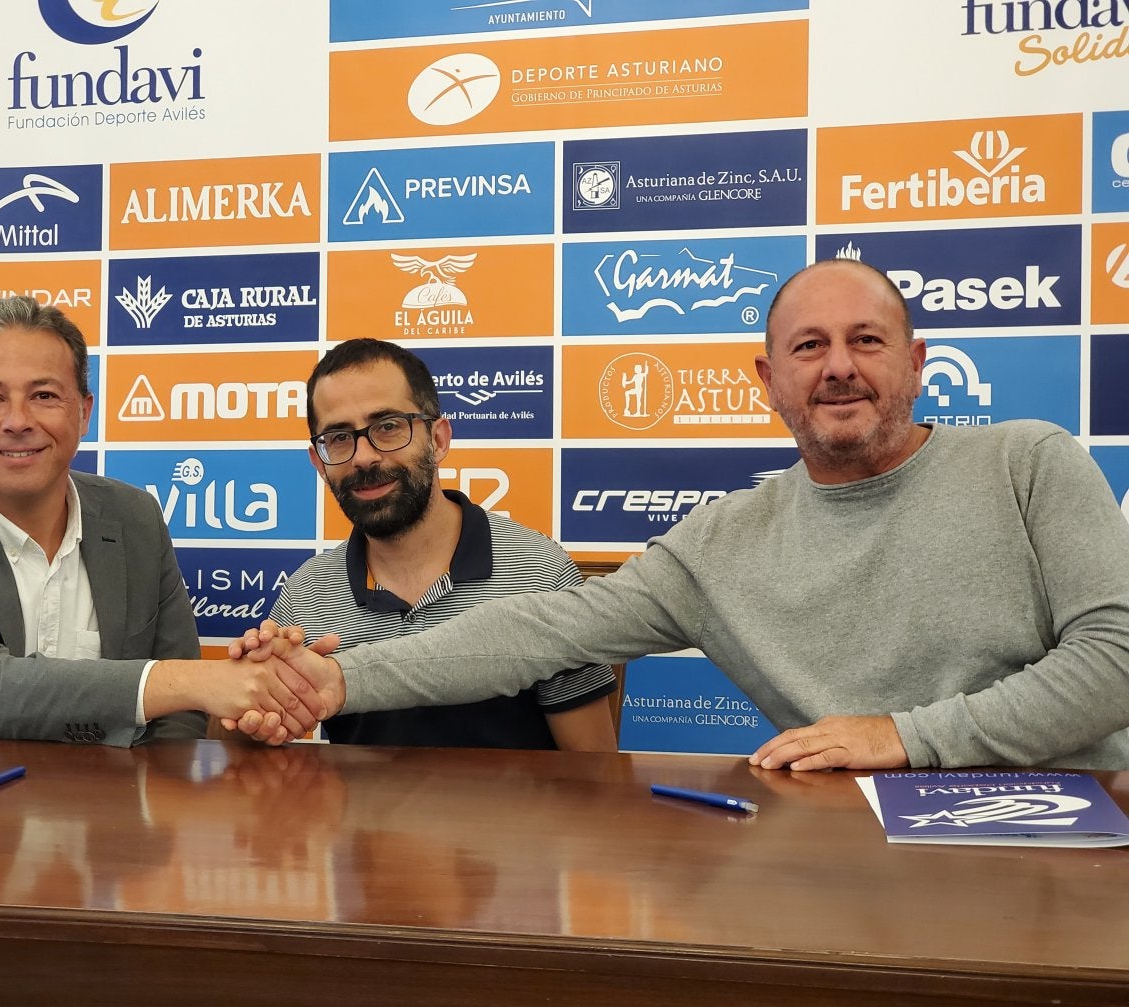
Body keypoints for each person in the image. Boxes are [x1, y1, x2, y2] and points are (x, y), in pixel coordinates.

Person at [234, 259, 1129, 771]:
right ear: (768, 380)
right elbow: (542, 629)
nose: (839, 368)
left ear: (919, 359)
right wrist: (336, 684)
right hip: (847, 854)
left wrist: (905, 735)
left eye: (867, 340)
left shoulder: (1028, 461)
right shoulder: (721, 543)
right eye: (808, 347)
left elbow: (1115, 666)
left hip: (1061, 837)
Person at [0, 295, 317, 746]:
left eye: (44, 395)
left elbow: (179, 719)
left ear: (84, 413)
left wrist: (254, 707)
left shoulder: (135, 517)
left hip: (107, 814)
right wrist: (200, 680)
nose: (17, 420)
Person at [264, 338, 616, 750]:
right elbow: (253, 758)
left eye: (388, 426)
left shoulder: (539, 571)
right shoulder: (306, 594)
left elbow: (592, 770)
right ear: (319, 463)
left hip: (516, 816)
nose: (363, 457)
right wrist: (256, 703)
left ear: (439, 439)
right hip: (357, 816)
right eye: (339, 437)